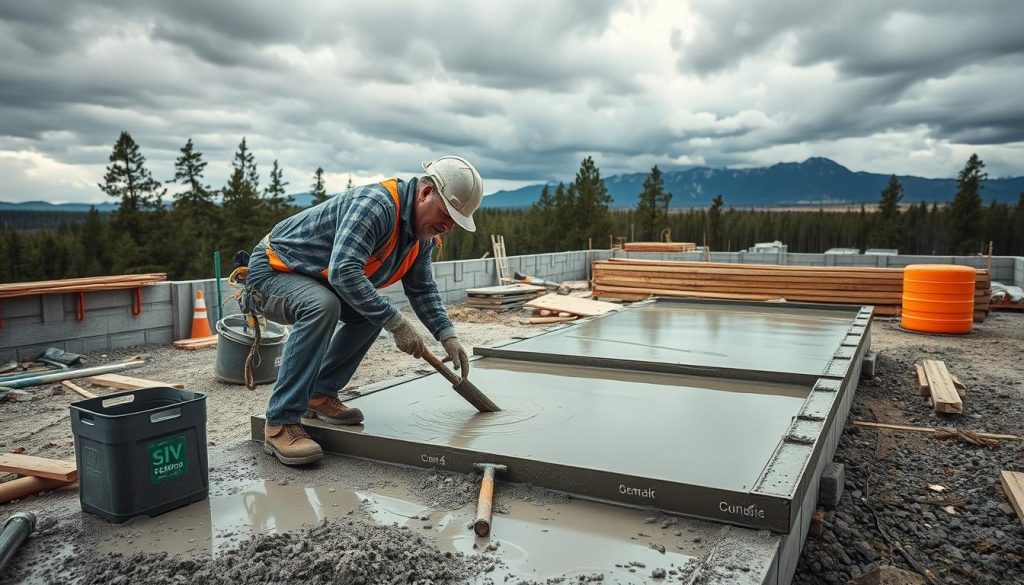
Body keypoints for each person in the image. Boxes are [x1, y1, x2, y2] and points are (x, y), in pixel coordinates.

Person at [242, 155, 483, 466]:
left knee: (371, 310)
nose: (449, 226)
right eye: (447, 213)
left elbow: (422, 289)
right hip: (274, 272)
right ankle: (280, 423)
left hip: (315, 277)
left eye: (455, 221)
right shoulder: (377, 205)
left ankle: (318, 394)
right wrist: (397, 323)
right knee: (324, 305)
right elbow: (343, 272)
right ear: (426, 193)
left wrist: (446, 334)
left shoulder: (420, 238)